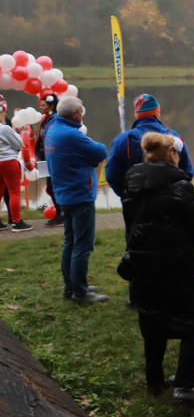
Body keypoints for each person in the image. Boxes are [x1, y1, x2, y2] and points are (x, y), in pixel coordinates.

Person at [121, 132, 194, 407]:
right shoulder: (180, 186)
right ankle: (185, 386)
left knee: (153, 319)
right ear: (172, 154)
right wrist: (185, 251)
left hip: (142, 262)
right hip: (178, 264)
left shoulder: (131, 182)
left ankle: (154, 379)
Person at [46, 97, 110, 303]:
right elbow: (101, 151)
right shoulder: (72, 134)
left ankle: (71, 286)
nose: (83, 115)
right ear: (75, 114)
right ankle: (80, 292)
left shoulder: (53, 128)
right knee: (82, 246)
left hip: (64, 193)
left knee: (70, 242)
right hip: (79, 194)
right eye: (82, 112)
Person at [106, 94, 194, 198]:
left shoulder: (121, 141)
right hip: (170, 206)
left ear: (137, 115)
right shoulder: (174, 139)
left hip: (135, 208)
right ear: (157, 114)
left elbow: (112, 175)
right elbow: (187, 172)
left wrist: (127, 196)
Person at [0, 103, 34, 232]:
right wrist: (19, 133)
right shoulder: (5, 128)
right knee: (13, 192)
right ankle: (16, 222)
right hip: (8, 161)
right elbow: (19, 144)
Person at [37, 92, 62, 227]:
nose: (41, 107)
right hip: (44, 158)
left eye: (43, 105)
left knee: (53, 186)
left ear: (51, 105)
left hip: (53, 158)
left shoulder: (56, 119)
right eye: (40, 105)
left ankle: (61, 214)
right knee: (50, 187)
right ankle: (60, 213)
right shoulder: (45, 119)